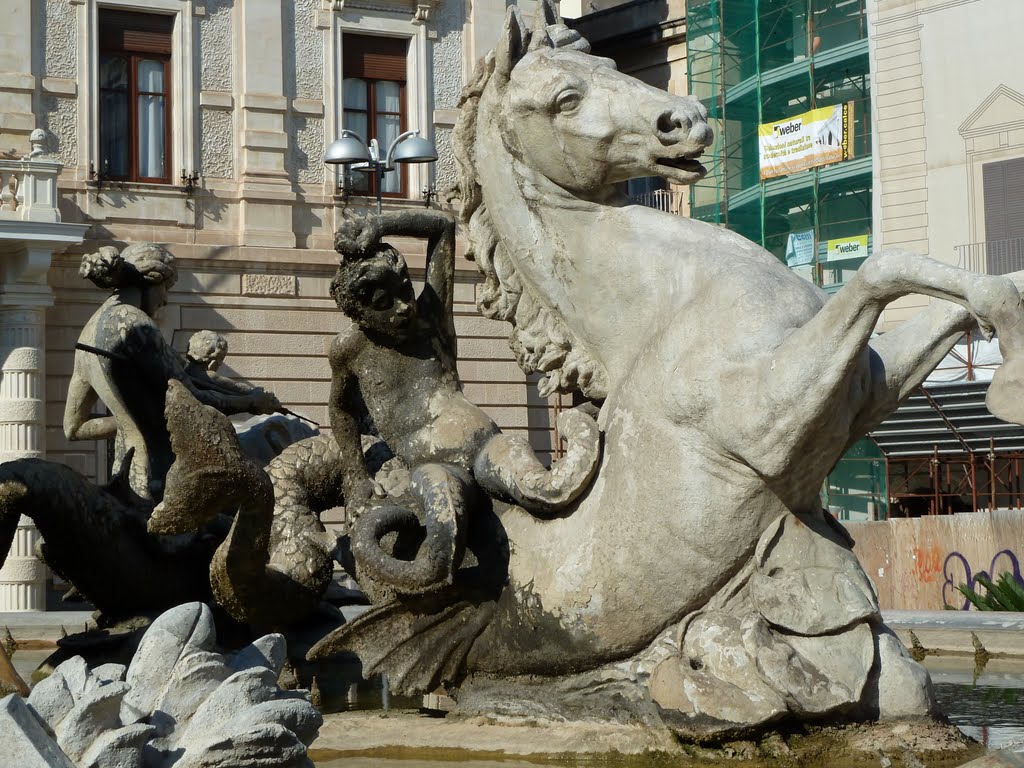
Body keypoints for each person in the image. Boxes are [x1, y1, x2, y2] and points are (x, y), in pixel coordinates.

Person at [329, 211, 599, 595]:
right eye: (383, 302)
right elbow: (340, 411)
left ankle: (582, 428)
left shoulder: (431, 316)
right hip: (433, 466)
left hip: (487, 444)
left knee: (547, 488)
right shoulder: (349, 351)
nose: (403, 306)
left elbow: (441, 229)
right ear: (359, 313)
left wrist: (383, 224)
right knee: (440, 552)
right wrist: (355, 476)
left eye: (405, 289)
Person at [64, 243, 280, 502]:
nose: (165, 299)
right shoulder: (136, 324)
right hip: (163, 474)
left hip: (124, 476)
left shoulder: (87, 332)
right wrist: (252, 403)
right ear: (151, 282)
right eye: (166, 288)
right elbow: (192, 399)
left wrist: (127, 421)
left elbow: (73, 428)